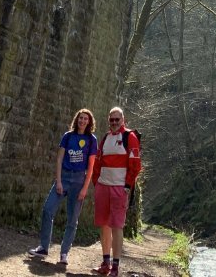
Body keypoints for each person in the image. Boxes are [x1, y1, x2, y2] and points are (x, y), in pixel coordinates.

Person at [28, 109, 98, 266]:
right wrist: (58, 181)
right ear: (76, 119)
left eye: (86, 119)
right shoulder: (68, 136)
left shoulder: (92, 140)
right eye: (80, 118)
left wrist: (85, 188)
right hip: (64, 177)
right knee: (47, 210)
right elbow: (59, 159)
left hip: (79, 180)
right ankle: (43, 248)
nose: (83, 121)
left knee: (72, 220)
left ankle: (64, 253)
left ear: (90, 122)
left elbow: (91, 167)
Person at [90, 107, 140, 276]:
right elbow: (97, 162)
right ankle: (105, 263)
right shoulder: (105, 138)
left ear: (123, 120)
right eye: (111, 120)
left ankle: (115, 266)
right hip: (103, 186)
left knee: (117, 226)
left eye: (117, 120)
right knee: (104, 224)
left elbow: (135, 165)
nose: (114, 123)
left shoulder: (130, 137)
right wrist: (96, 183)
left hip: (120, 188)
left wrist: (127, 186)